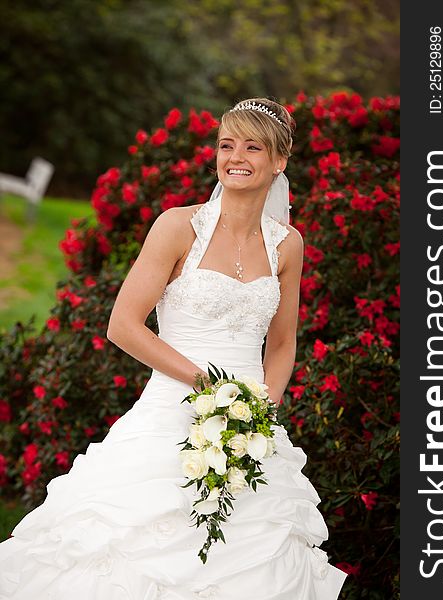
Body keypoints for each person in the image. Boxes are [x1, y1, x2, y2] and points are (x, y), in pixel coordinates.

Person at [0, 97, 347, 599]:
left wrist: (263, 409)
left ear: (279, 161)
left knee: (251, 558)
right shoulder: (178, 226)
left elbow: (283, 340)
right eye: (227, 145)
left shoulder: (286, 244)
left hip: (249, 429)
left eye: (253, 146)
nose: (236, 157)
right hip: (170, 410)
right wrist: (207, 385)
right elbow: (123, 325)